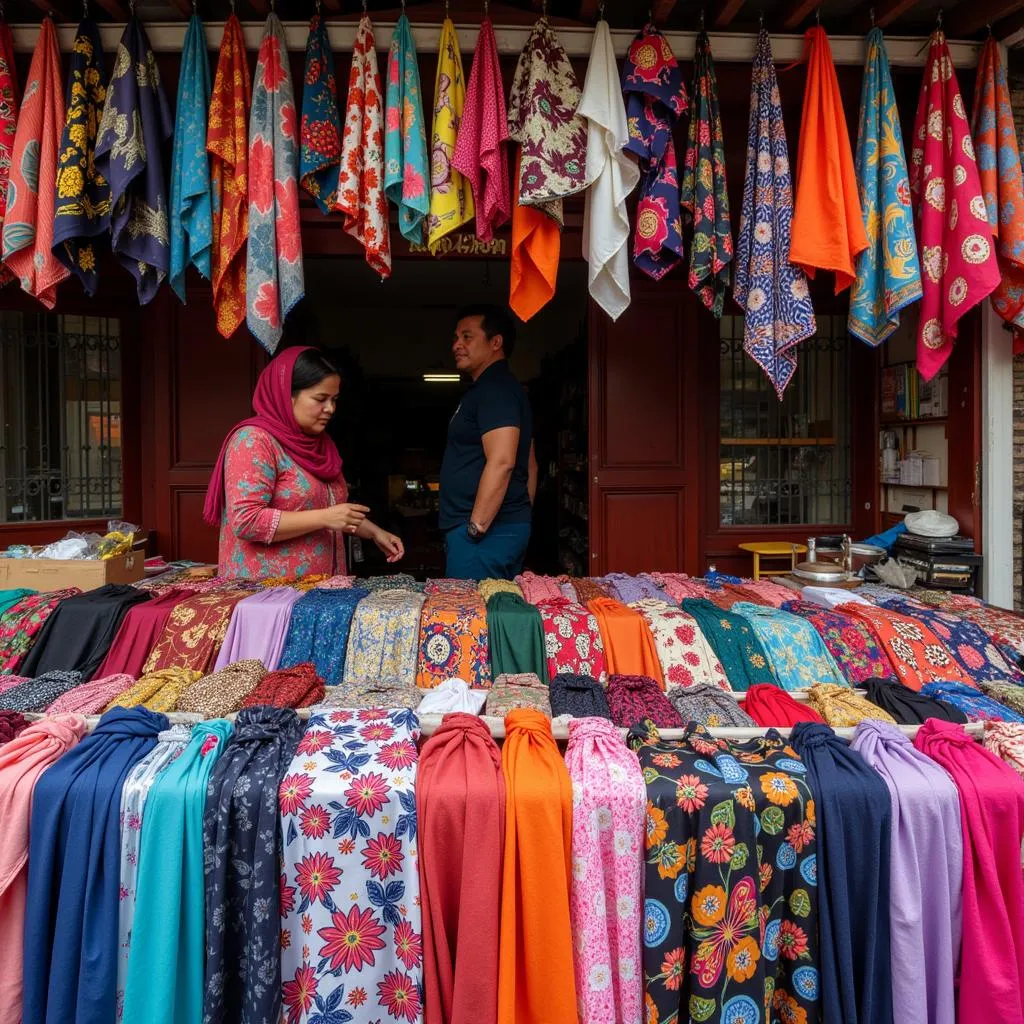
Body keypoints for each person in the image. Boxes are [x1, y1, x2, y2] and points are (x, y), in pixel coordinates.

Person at [203, 346, 404, 579]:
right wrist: (325, 517)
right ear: (287, 395)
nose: (330, 409)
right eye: (320, 399)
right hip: (268, 596)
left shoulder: (320, 444)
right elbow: (247, 521)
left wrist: (374, 532)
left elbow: (334, 512)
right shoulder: (254, 441)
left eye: (334, 399)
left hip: (319, 593)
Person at [439, 304, 537, 580]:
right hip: (498, 528)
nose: (457, 345)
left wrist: (477, 527)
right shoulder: (497, 389)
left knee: (470, 618)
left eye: (467, 337)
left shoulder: (495, 390)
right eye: (456, 338)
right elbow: (529, 463)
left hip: (485, 534)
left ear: (496, 343)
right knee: (493, 614)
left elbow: (504, 461)